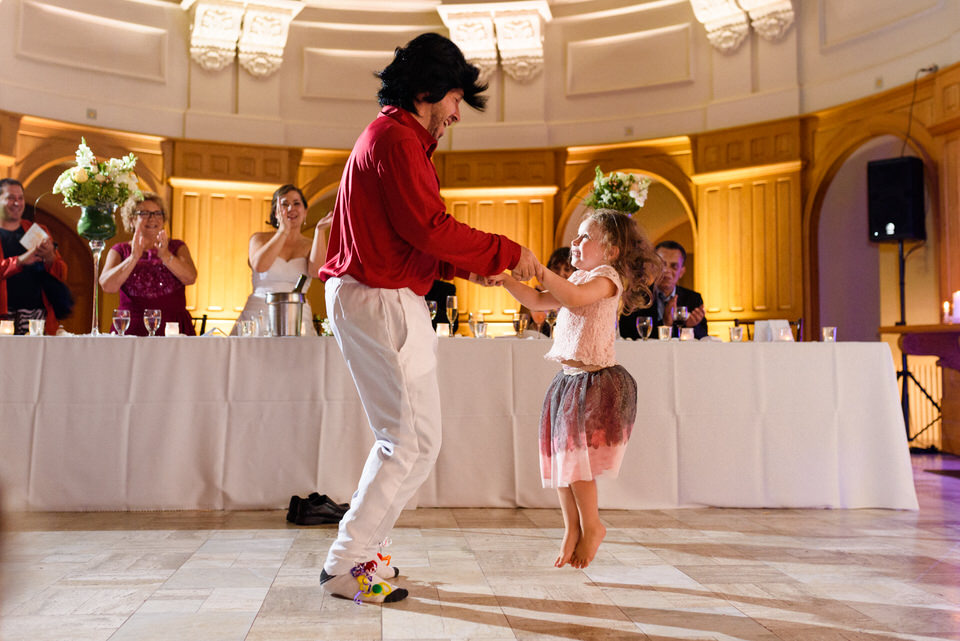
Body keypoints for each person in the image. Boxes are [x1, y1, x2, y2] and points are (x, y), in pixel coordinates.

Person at [316, 32, 538, 603]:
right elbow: (428, 228)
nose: (457, 113)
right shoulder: (395, 138)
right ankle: (345, 563)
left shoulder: (395, 137)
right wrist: (506, 252)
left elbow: (413, 235)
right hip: (379, 298)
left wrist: (473, 270)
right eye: (455, 99)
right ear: (426, 91)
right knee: (405, 442)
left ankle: (363, 556)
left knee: (419, 441)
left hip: (383, 294)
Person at [490, 208, 660, 569]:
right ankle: (571, 528)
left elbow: (573, 297)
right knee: (561, 463)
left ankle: (593, 525)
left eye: (585, 236)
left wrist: (538, 268)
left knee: (577, 464)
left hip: (595, 383)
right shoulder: (580, 279)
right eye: (576, 236)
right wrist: (506, 280)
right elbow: (537, 301)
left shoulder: (606, 278)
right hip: (568, 381)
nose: (575, 242)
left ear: (611, 251)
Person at [230, 185, 330, 336]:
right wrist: (283, 231)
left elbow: (317, 272)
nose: (291, 208)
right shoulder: (259, 239)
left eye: (296, 203)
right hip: (260, 311)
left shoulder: (310, 244)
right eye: (285, 204)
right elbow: (260, 266)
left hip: (298, 315)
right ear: (275, 211)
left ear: (305, 211)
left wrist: (320, 231)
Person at [100, 192, 198, 335]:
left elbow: (190, 278)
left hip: (173, 328)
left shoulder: (177, 247)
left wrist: (165, 255)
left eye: (157, 213)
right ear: (132, 219)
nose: (152, 219)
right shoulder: (120, 250)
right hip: (132, 328)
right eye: (145, 213)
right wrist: (133, 257)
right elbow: (107, 286)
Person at [0, 178, 69, 335]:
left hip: (36, 315)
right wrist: (20, 261)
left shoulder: (35, 230)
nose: (17, 203)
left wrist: (51, 257)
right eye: (10, 198)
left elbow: (61, 273)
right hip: (3, 316)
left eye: (20, 198)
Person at [619, 240, 707, 340]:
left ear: (682, 272)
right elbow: (626, 334)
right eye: (662, 264)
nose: (666, 270)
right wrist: (665, 323)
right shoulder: (636, 296)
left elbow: (704, 337)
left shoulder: (693, 299)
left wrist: (689, 326)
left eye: (674, 266)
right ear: (653, 267)